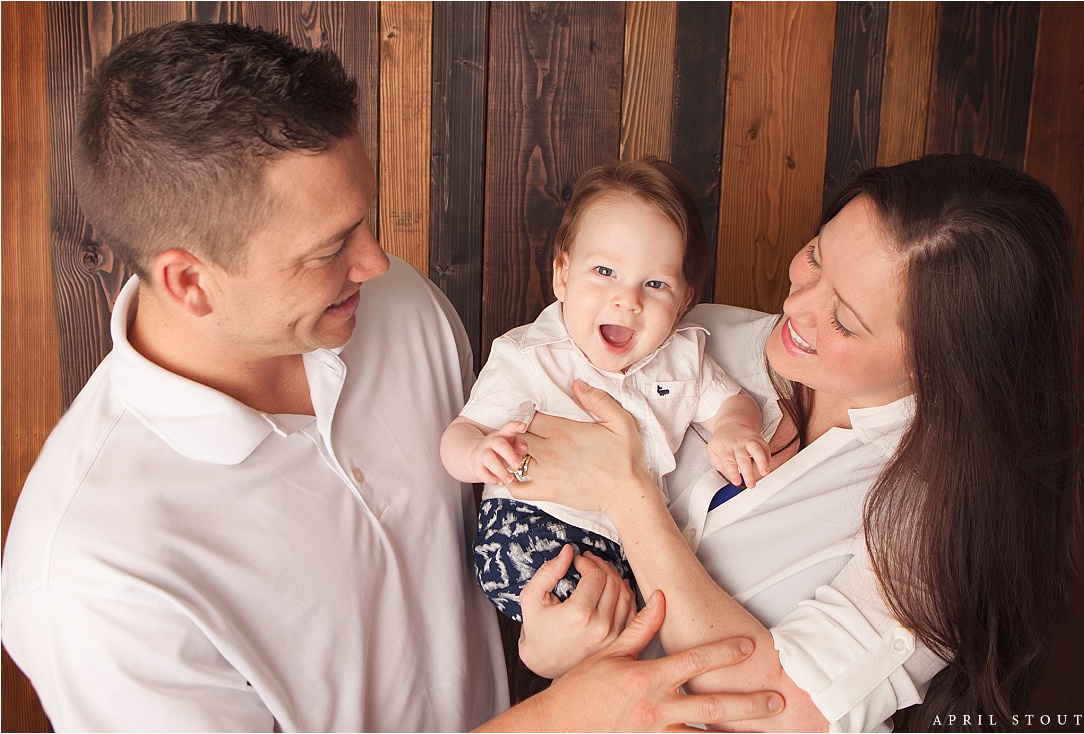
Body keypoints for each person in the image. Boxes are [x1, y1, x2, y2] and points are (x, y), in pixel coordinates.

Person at [0, 20, 785, 732]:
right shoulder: (92, 577)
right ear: (189, 282)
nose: (377, 263)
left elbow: (490, 555)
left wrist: (547, 653)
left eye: (367, 221)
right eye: (329, 248)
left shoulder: (397, 309)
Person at [510, 154, 1084, 731]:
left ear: (937, 364)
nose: (796, 305)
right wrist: (549, 648)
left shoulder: (947, 516)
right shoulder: (691, 336)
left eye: (844, 320)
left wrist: (628, 495)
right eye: (815, 256)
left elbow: (784, 710)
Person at [441, 159, 768, 641]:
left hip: (631, 538)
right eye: (605, 271)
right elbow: (460, 434)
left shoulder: (684, 358)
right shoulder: (531, 355)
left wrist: (735, 427)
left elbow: (733, 402)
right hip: (532, 523)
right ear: (562, 275)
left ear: (683, 302)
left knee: (646, 617)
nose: (627, 299)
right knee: (581, 614)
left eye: (655, 284)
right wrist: (477, 452)